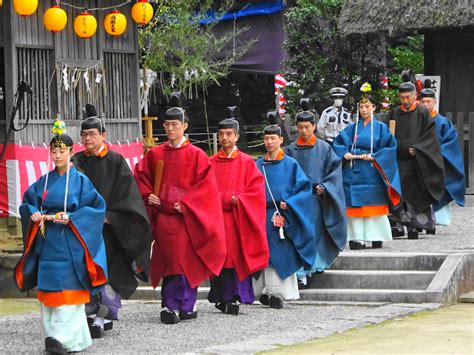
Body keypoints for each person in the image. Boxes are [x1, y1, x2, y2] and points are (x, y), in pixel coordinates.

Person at [14, 121, 107, 354]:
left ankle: (58, 338)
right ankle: (69, 340)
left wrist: (73, 218)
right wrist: (32, 212)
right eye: (53, 151)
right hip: (47, 242)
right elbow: (27, 201)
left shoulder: (81, 181)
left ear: (71, 152)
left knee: (68, 295)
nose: (57, 155)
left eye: (61, 151)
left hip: (70, 244)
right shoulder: (44, 181)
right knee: (51, 294)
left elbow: (97, 208)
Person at [135, 107, 226, 324]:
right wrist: (149, 196)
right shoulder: (155, 154)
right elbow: (140, 177)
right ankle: (170, 305)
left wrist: (186, 204)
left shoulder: (198, 155)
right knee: (169, 260)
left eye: (175, 124)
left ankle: (185, 304)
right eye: (167, 124)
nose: (170, 128)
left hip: (186, 217)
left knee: (184, 259)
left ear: (184, 126)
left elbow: (206, 188)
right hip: (163, 217)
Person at [72, 104, 151, 338]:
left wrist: (112, 216)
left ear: (103, 136)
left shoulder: (116, 161)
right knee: (84, 271)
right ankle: (89, 312)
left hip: (110, 228)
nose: (88, 138)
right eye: (84, 134)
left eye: (92, 134)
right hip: (83, 229)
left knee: (107, 271)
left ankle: (103, 316)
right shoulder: (76, 161)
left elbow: (128, 195)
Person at [207, 119, 269, 316]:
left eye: (229, 134)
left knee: (236, 257)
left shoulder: (246, 161)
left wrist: (240, 200)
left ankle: (238, 296)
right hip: (217, 218)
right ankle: (223, 298)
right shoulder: (210, 163)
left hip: (237, 218)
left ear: (237, 137)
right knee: (220, 257)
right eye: (221, 134)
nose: (225, 138)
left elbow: (256, 190)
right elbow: (203, 190)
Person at [253, 125, 316, 308]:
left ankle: (279, 294)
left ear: (281, 140)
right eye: (266, 138)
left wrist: (290, 203)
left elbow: (304, 189)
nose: (270, 142)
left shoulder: (291, 164)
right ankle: (263, 291)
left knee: (281, 252)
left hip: (283, 215)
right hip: (262, 214)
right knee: (263, 252)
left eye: (273, 138)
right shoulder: (257, 165)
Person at [333, 83, 402, 250]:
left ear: (374, 107)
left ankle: (375, 237)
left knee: (373, 207)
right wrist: (345, 153)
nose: (364, 110)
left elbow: (389, 148)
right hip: (354, 168)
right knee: (355, 207)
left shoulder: (381, 128)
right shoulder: (352, 128)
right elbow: (338, 143)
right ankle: (357, 238)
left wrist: (375, 157)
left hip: (372, 171)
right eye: (361, 106)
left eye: (367, 106)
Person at [285, 109, 347, 287]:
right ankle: (301, 273)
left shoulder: (325, 148)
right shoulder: (289, 150)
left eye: (307, 127)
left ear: (314, 127)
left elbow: (334, 172)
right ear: (296, 128)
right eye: (300, 127)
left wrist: (325, 187)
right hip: (297, 200)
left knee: (317, 232)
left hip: (316, 199)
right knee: (298, 234)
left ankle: (316, 266)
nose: (304, 131)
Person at [386, 81, 445, 239]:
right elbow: (389, 135)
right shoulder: (394, 113)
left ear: (414, 96)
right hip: (398, 159)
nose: (405, 101)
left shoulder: (422, 113)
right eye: (402, 97)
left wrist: (418, 149)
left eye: (408, 97)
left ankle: (415, 226)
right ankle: (398, 226)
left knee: (415, 193)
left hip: (416, 160)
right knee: (398, 192)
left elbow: (430, 137)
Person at [420, 88, 465, 225]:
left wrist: (433, 153)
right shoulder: (416, 121)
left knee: (439, 188)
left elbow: (450, 143)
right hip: (419, 162)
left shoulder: (444, 122)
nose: (426, 104)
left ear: (435, 102)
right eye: (423, 101)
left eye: (428, 101)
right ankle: (420, 220)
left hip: (438, 162)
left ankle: (439, 218)